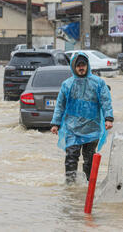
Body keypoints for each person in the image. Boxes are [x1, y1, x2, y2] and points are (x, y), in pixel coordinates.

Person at [50, 52, 114, 185]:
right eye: (78, 65)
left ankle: (89, 185)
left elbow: (106, 101)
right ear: (73, 67)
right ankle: (70, 186)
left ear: (87, 65)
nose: (81, 67)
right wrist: (55, 123)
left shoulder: (98, 83)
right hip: (72, 129)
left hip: (92, 128)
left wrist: (108, 118)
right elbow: (60, 105)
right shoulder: (67, 84)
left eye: (83, 64)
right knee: (71, 158)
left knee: (90, 159)